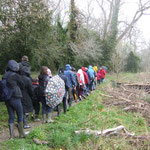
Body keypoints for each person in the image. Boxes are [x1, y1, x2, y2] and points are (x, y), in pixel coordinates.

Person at [3, 60, 26, 139]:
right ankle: (21, 134)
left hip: (7, 98)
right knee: (20, 115)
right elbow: (22, 85)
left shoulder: (5, 75)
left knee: (11, 116)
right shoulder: (15, 75)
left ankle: (11, 136)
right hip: (16, 97)